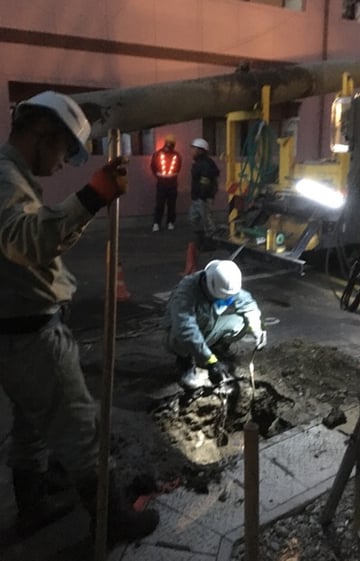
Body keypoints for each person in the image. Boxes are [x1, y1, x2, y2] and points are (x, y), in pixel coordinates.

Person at [0, 91, 159, 542]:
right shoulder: (5, 177)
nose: (61, 166)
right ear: (42, 135)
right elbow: (24, 242)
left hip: (15, 330)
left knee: (32, 426)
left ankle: (33, 507)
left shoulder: (11, 175)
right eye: (64, 152)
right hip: (30, 336)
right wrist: (91, 196)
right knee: (82, 429)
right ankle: (112, 521)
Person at [164, 259, 266, 390]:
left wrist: (257, 328)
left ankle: (216, 351)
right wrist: (210, 361)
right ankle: (186, 365)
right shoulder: (186, 293)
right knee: (183, 339)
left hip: (207, 326)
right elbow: (185, 330)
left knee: (241, 323)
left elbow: (247, 303)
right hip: (179, 336)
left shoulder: (224, 283)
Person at [189, 138, 220, 250]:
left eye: (194, 148)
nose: (192, 150)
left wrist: (203, 195)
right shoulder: (198, 162)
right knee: (194, 218)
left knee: (207, 220)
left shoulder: (205, 164)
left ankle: (211, 242)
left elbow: (205, 180)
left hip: (203, 197)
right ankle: (201, 240)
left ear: (200, 150)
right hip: (198, 197)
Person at [150, 134, 182, 232]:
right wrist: (159, 175)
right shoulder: (159, 154)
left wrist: (159, 175)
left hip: (169, 182)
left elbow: (178, 167)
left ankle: (166, 222)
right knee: (161, 203)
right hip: (165, 182)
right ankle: (159, 223)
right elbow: (153, 166)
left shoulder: (175, 155)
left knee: (169, 204)